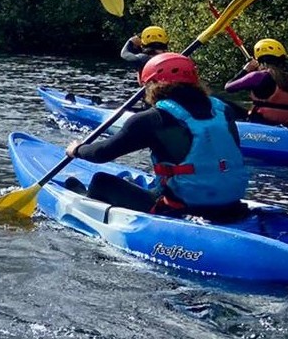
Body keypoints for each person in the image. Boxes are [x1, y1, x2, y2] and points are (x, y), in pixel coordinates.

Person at [63, 52, 250, 221]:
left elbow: (102, 154)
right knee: (147, 183)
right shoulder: (223, 109)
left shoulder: (152, 119)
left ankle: (83, 197)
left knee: (101, 181)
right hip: (231, 204)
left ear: (152, 84)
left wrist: (77, 150)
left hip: (183, 208)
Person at [223, 38, 288, 126]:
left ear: (259, 60)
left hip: (263, 122)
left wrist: (245, 70)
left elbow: (228, 87)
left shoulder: (258, 76)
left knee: (217, 101)